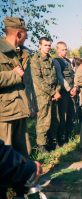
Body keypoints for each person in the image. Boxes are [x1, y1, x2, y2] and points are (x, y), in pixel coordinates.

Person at [0, 16, 32, 157]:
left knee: (23, 154)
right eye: (25, 33)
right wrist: (13, 75)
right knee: (5, 157)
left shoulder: (20, 53)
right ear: (19, 34)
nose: (26, 37)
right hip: (4, 114)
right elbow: (16, 76)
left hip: (20, 109)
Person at [31, 37, 61, 153]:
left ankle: (51, 142)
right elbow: (38, 80)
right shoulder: (35, 60)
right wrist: (53, 92)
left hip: (53, 94)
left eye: (49, 45)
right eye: (45, 45)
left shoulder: (51, 59)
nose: (48, 47)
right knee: (43, 120)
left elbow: (55, 78)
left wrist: (57, 90)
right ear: (40, 46)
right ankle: (41, 145)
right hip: (43, 95)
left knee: (54, 119)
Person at [52, 41, 76, 145]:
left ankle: (68, 136)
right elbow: (60, 77)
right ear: (57, 50)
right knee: (62, 116)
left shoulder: (68, 61)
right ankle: (60, 138)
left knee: (71, 113)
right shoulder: (56, 61)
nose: (65, 51)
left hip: (71, 91)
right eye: (62, 49)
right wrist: (68, 89)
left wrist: (75, 88)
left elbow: (73, 75)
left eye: (66, 49)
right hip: (63, 91)